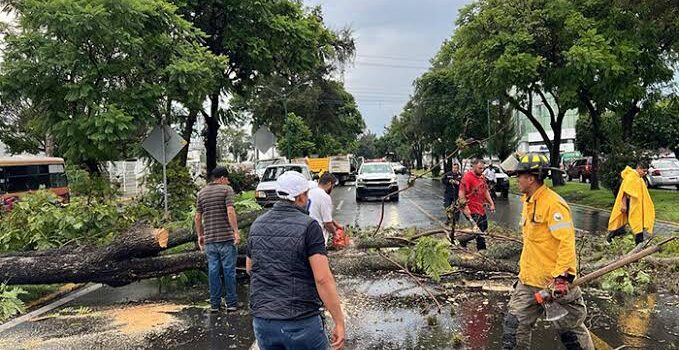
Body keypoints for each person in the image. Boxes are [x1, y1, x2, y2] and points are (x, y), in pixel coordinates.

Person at [501, 153, 594, 350]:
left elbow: (566, 242)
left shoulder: (553, 204)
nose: (517, 180)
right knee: (513, 328)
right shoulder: (529, 201)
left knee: (570, 331)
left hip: (553, 282)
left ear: (531, 178)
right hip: (528, 281)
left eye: (520, 176)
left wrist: (562, 277)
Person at [246, 171, 345, 350]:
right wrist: (339, 321)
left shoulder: (257, 224)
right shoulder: (309, 226)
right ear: (299, 197)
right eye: (306, 194)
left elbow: (250, 268)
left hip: (263, 322)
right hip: (300, 321)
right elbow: (322, 279)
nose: (308, 199)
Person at [194, 166, 241, 313]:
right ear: (221, 178)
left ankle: (215, 304)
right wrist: (236, 231)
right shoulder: (227, 190)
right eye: (227, 179)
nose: (228, 182)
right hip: (226, 238)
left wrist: (200, 235)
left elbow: (197, 217)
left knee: (213, 271)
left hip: (210, 240)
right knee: (228, 271)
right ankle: (231, 303)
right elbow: (230, 210)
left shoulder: (201, 193)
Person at [606, 161, 655, 245]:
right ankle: (639, 243)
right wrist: (624, 204)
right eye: (644, 171)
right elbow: (625, 191)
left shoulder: (638, 177)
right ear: (638, 168)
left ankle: (611, 238)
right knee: (635, 222)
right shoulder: (632, 176)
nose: (645, 173)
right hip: (630, 204)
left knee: (633, 222)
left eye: (646, 171)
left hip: (635, 204)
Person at [458, 159, 495, 250]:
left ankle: (463, 240)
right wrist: (465, 207)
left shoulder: (482, 177)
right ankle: (482, 251)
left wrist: (491, 203)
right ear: (473, 166)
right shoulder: (467, 177)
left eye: (483, 168)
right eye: (479, 168)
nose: (482, 170)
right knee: (479, 231)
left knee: (484, 227)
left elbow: (485, 190)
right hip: (471, 209)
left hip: (480, 208)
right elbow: (461, 194)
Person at [309, 173, 343, 246]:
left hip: (308, 234)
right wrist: (335, 234)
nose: (332, 189)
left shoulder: (310, 192)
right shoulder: (325, 197)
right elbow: (327, 223)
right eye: (333, 186)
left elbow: (321, 213)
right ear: (329, 184)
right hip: (318, 238)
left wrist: (336, 224)